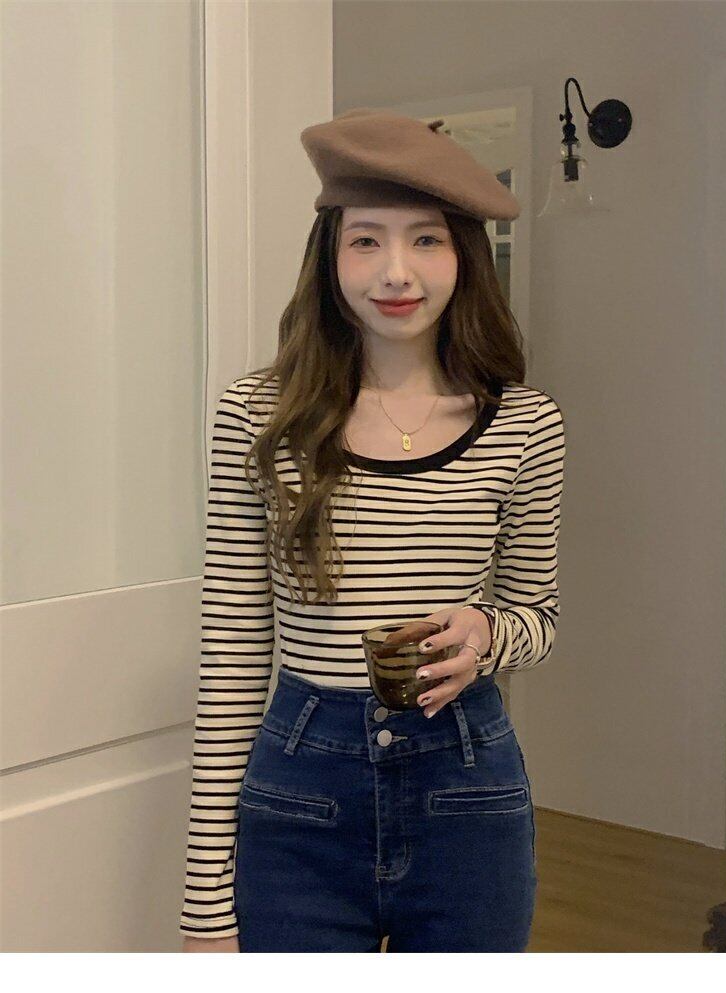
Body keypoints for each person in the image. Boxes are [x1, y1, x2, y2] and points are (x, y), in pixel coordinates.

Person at [180, 108, 566, 952]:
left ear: (465, 255)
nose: (396, 271)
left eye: (426, 239)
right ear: (330, 256)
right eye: (366, 240)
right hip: (298, 793)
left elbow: (538, 616)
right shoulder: (257, 417)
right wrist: (205, 900)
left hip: (467, 788)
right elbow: (232, 654)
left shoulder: (525, 425)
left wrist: (488, 633)